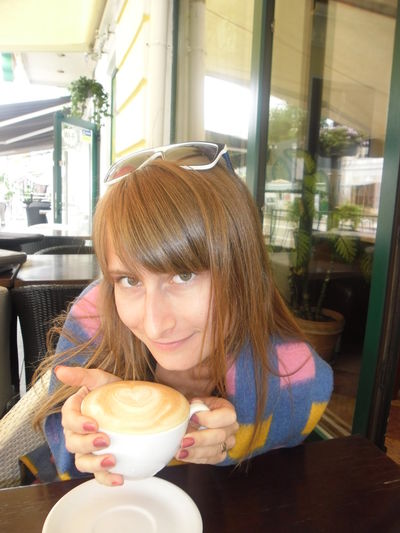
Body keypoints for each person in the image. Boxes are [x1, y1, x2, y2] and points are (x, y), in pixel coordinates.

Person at [33, 142, 333, 487]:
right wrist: (104, 432)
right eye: (129, 280)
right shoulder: (94, 316)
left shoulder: (291, 371)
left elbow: (302, 413)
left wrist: (232, 440)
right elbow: (62, 457)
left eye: (184, 275)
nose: (154, 324)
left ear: (242, 270)